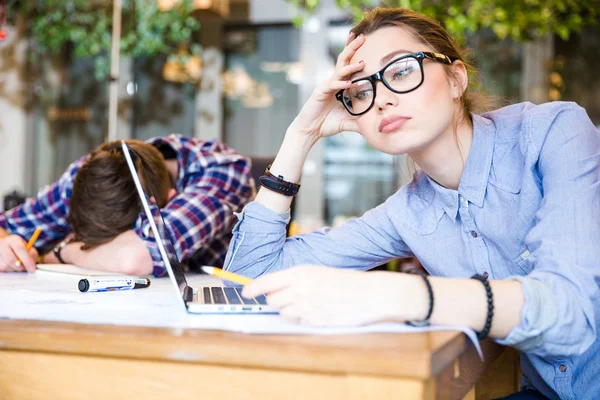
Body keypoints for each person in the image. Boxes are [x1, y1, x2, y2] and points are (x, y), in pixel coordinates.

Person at [222, 7, 600, 400]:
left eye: (400, 71)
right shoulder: (407, 213)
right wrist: (301, 133)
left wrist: (400, 295)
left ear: (456, 78)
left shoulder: (554, 133)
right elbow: (247, 278)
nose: (381, 99)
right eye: (360, 91)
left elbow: (572, 314)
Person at [0, 134, 255, 277]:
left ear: (169, 197)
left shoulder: (222, 171)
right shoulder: (92, 174)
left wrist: (60, 252)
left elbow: (135, 259)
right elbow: (6, 226)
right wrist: (6, 245)